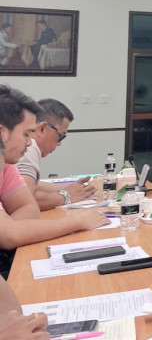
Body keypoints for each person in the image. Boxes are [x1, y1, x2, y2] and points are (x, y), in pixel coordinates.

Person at [0, 85, 108, 278]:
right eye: (26, 134)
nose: (29, 142)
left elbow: (29, 208)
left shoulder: (6, 164)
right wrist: (77, 221)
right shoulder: (19, 154)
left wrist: (13, 231)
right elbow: (10, 234)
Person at [16, 99, 95, 210]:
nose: (59, 143)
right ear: (42, 129)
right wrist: (67, 196)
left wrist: (72, 188)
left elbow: (33, 185)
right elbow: (25, 199)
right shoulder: (29, 147)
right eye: (61, 136)